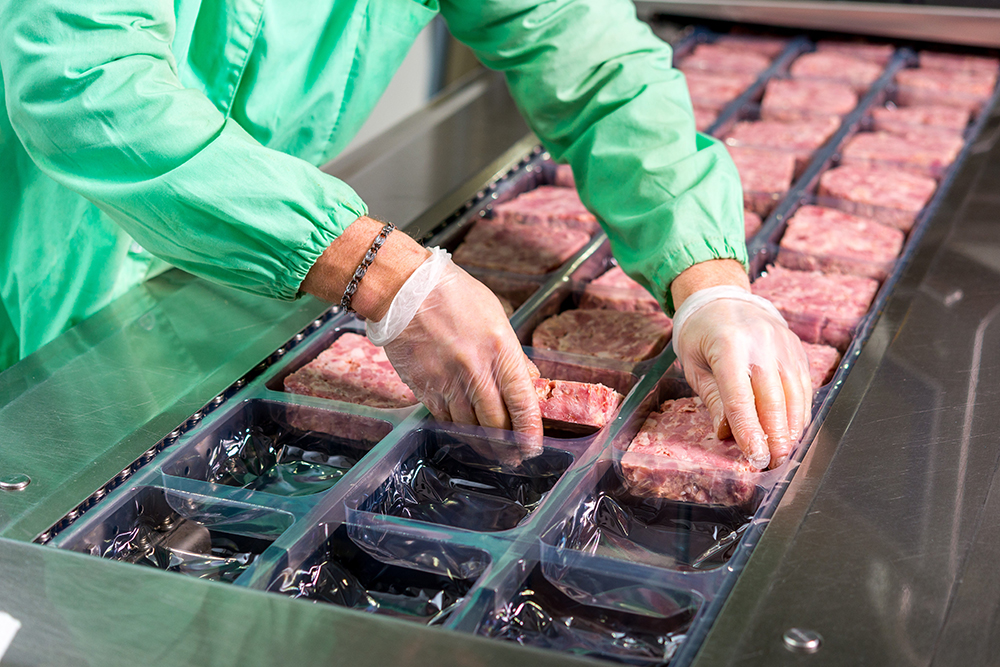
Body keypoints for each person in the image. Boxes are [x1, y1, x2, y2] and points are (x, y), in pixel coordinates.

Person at [0, 0, 810, 469]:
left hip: (209, 261)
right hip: (30, 257)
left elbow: (597, 67)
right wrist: (388, 277)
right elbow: (86, 88)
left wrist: (709, 279)